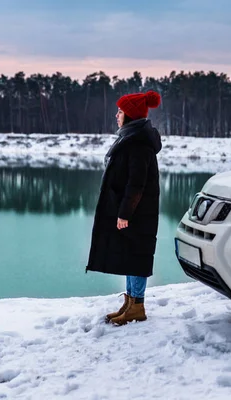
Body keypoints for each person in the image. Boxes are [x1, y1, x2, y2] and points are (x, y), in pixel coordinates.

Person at [86, 90, 162, 326]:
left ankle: (137, 306)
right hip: (134, 211)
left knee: (137, 257)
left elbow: (136, 183)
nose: (116, 115)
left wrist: (124, 213)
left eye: (120, 111)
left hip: (138, 213)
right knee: (131, 255)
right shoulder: (131, 138)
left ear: (129, 115)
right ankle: (130, 303)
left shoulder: (138, 144)